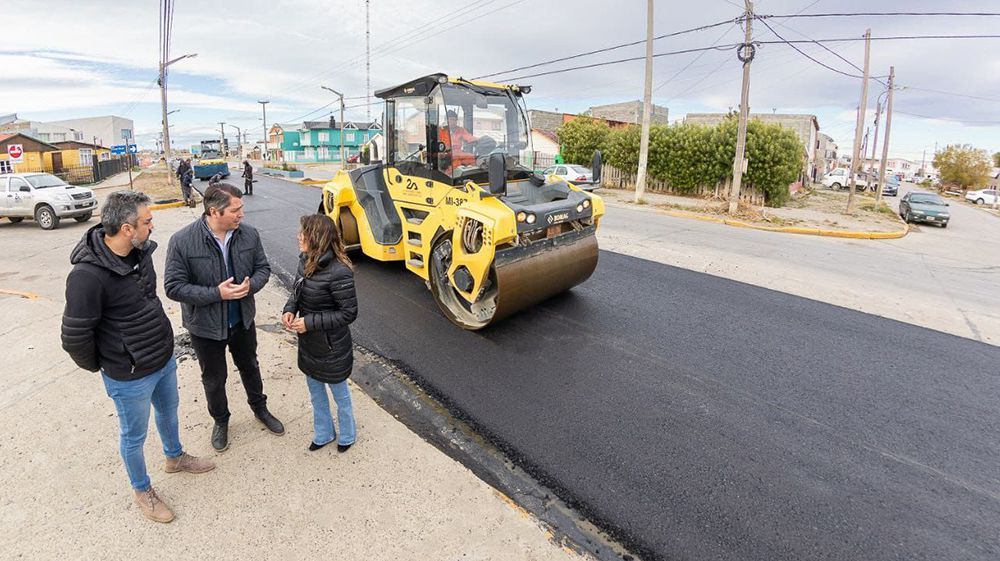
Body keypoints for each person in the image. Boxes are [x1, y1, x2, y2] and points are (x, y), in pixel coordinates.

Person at [61, 190, 215, 524]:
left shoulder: (140, 253)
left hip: (162, 356)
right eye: (146, 221)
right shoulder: (86, 277)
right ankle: (142, 489)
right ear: (127, 229)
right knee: (134, 436)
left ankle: (174, 457)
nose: (152, 226)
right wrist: (109, 364)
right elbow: (75, 338)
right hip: (128, 374)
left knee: (169, 411)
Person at [164, 183, 284, 452]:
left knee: (250, 367)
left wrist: (250, 285)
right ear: (214, 211)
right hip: (205, 327)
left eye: (241, 208)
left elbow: (263, 268)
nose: (241, 214)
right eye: (235, 209)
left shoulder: (249, 235)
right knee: (214, 379)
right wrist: (216, 293)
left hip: (242, 319)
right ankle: (221, 421)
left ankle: (260, 409)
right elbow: (173, 287)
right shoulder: (182, 241)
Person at [283, 214, 358, 453]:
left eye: (303, 233)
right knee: (316, 393)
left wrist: (310, 322)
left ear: (315, 238)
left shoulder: (340, 272)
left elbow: (348, 314)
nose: (298, 236)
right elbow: (297, 291)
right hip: (309, 343)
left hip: (332, 347)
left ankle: (347, 435)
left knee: (340, 395)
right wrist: (289, 310)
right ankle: (324, 433)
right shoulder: (305, 260)